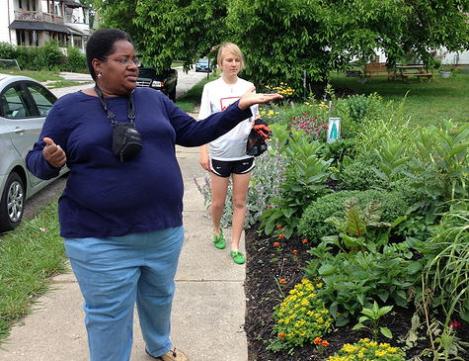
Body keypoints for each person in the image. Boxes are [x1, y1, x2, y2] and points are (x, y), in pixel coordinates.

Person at [26, 29, 281, 361]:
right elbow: (36, 161)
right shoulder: (69, 109)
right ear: (98, 65)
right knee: (107, 316)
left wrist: (239, 109)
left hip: (162, 230)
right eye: (123, 60)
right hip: (100, 237)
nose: (134, 65)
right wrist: (49, 160)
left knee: (159, 297)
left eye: (135, 58)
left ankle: (159, 345)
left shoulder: (154, 100)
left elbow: (192, 132)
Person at [199, 42, 266, 265]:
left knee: (239, 202)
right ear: (220, 63)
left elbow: (254, 118)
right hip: (219, 153)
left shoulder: (248, 87)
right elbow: (204, 123)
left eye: (237, 59)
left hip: (243, 154)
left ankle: (236, 246)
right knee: (218, 203)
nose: (234, 64)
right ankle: (216, 229)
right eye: (229, 59)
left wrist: (260, 129)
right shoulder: (211, 89)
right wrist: (203, 152)